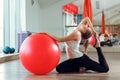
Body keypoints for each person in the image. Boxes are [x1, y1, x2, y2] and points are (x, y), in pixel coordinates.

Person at [41, 17, 109, 73]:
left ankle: (98, 48)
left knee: (104, 69)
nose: (85, 25)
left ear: (83, 32)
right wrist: (93, 30)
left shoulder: (77, 34)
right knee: (59, 68)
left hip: (81, 59)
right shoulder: (78, 29)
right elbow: (87, 19)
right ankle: (81, 68)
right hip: (74, 60)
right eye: (86, 26)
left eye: (85, 28)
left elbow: (60, 40)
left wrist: (46, 33)